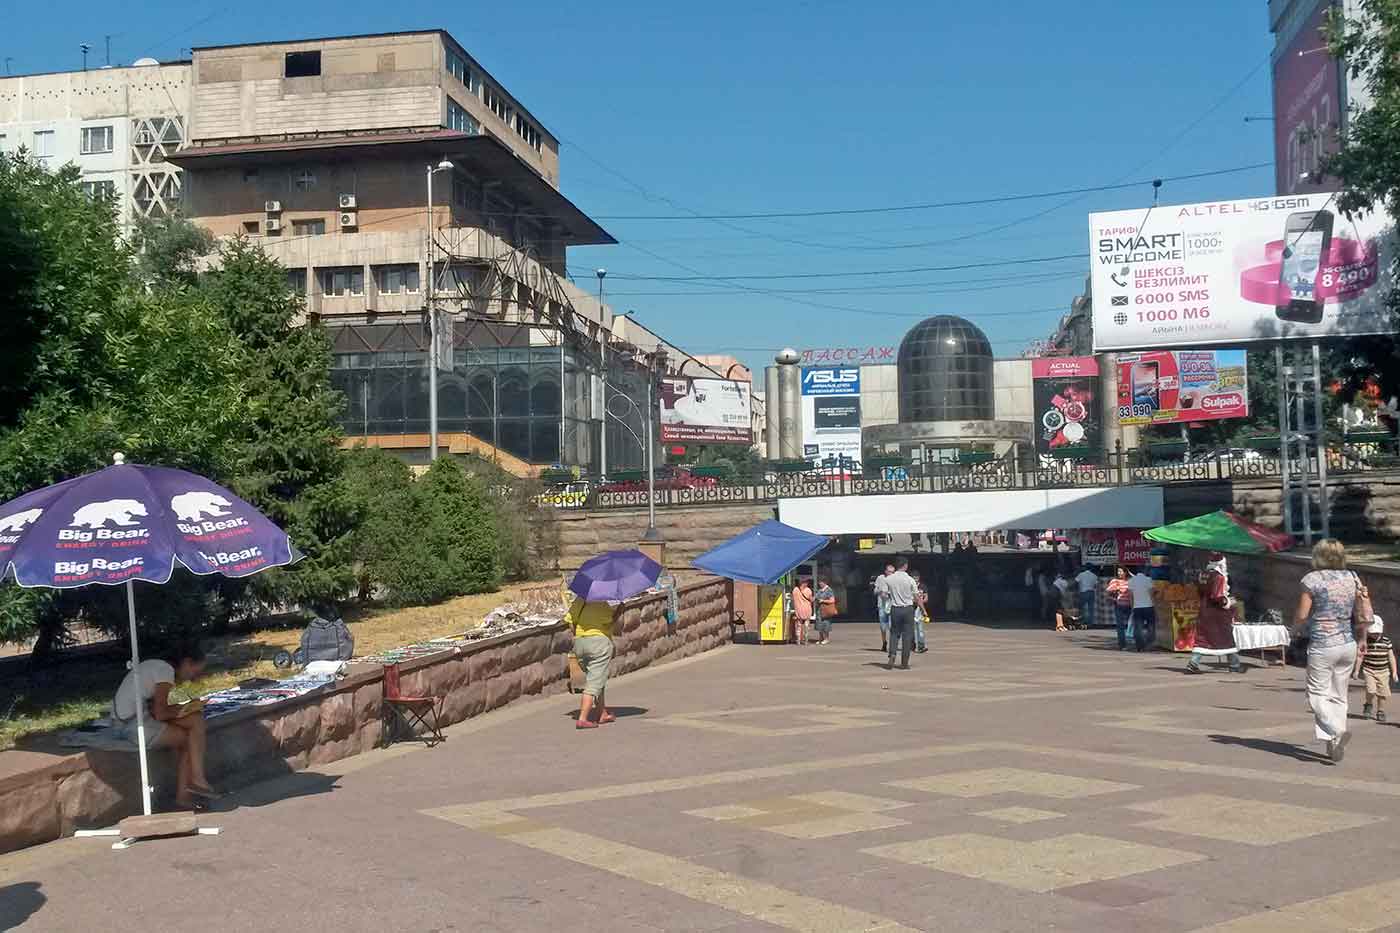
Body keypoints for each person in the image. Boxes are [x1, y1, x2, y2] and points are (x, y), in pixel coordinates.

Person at [111, 643, 215, 810]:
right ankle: (192, 783)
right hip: (131, 725)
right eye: (195, 672)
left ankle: (192, 784)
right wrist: (188, 708)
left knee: (195, 722)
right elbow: (161, 713)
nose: (193, 677)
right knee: (190, 736)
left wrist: (190, 703)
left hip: (131, 719)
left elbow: (159, 707)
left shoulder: (159, 667)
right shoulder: (164, 671)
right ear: (187, 662)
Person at [1293, 538, 1371, 762]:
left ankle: (1336, 732)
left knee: (1317, 694)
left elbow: (1302, 615)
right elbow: (1363, 612)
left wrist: (1293, 630)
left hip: (1322, 644)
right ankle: (1333, 745)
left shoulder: (1312, 579)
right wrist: (1363, 638)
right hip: (1348, 643)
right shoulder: (1353, 577)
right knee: (1338, 695)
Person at [1187, 552, 1242, 674]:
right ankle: (1234, 664)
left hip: (1204, 609)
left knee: (1203, 638)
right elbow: (1217, 596)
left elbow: (1200, 591)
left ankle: (1193, 662)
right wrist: (1228, 602)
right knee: (1226, 638)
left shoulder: (1203, 574)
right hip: (1218, 614)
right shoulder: (1219, 577)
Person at [567, 596, 617, 730]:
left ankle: (602, 713)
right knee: (594, 682)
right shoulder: (602, 603)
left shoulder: (579, 601)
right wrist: (619, 611)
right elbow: (609, 624)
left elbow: (570, 622)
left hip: (580, 644)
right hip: (598, 644)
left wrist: (579, 636)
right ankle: (583, 718)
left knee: (596, 678)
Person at [1354, 615, 1396, 722]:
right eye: (1372, 633)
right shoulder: (1365, 641)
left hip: (1383, 671)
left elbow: (1391, 657)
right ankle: (1368, 704)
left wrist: (1394, 672)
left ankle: (1380, 711)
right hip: (1369, 670)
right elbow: (1360, 656)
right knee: (1370, 690)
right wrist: (1356, 670)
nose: (1374, 635)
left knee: (1382, 693)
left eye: (1376, 633)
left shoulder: (1386, 641)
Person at [885, 557, 918, 670]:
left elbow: (885, 594)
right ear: (905, 566)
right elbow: (916, 596)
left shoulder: (889, 579)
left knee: (894, 633)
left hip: (895, 608)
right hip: (908, 608)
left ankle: (892, 654)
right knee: (907, 635)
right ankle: (904, 662)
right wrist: (923, 609)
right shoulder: (910, 580)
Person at [1128, 567, 1157, 651]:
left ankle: (1139, 646)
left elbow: (1131, 597)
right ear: (1144, 571)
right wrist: (1154, 604)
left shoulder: (1131, 581)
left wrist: (1132, 607)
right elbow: (1152, 593)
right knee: (1150, 626)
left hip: (1137, 607)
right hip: (1149, 606)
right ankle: (1149, 643)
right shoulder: (1148, 579)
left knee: (1138, 628)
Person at [1105, 565, 1134, 650]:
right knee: (1120, 626)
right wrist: (1114, 595)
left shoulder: (1130, 581)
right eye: (1118, 571)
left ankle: (1135, 642)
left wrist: (1130, 573)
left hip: (1130, 606)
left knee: (1132, 625)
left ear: (1125, 572)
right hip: (1119, 606)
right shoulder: (1115, 581)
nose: (1119, 573)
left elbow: (1136, 578)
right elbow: (1108, 592)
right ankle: (1122, 645)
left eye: (1121, 571)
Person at [874, 565, 894, 652]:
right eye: (889, 571)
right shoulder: (880, 578)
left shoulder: (895, 579)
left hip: (891, 605)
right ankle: (884, 642)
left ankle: (892, 644)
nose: (891, 573)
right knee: (883, 626)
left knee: (891, 626)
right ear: (885, 571)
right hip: (882, 605)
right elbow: (875, 590)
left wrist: (889, 593)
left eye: (892, 572)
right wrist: (880, 591)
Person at [791, 577, 814, 646]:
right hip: (806, 609)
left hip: (798, 609)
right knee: (806, 625)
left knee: (798, 625)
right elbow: (811, 599)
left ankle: (798, 640)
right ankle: (806, 640)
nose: (807, 584)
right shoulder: (808, 590)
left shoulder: (795, 590)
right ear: (804, 583)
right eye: (806, 582)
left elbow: (793, 598)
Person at [813, 578, 837, 646]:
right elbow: (815, 597)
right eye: (819, 582)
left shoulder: (829, 590)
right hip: (819, 610)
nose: (819, 584)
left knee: (826, 624)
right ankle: (820, 638)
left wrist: (823, 601)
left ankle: (826, 638)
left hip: (826, 610)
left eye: (820, 582)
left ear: (825, 582)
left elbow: (832, 600)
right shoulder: (820, 590)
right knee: (819, 623)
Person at [911, 571, 929, 653]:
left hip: (920, 609)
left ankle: (921, 645)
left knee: (920, 629)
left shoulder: (922, 586)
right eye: (914, 577)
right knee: (913, 629)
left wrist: (921, 601)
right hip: (911, 608)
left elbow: (926, 598)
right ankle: (913, 644)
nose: (915, 579)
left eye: (916, 577)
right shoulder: (910, 586)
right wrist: (915, 600)